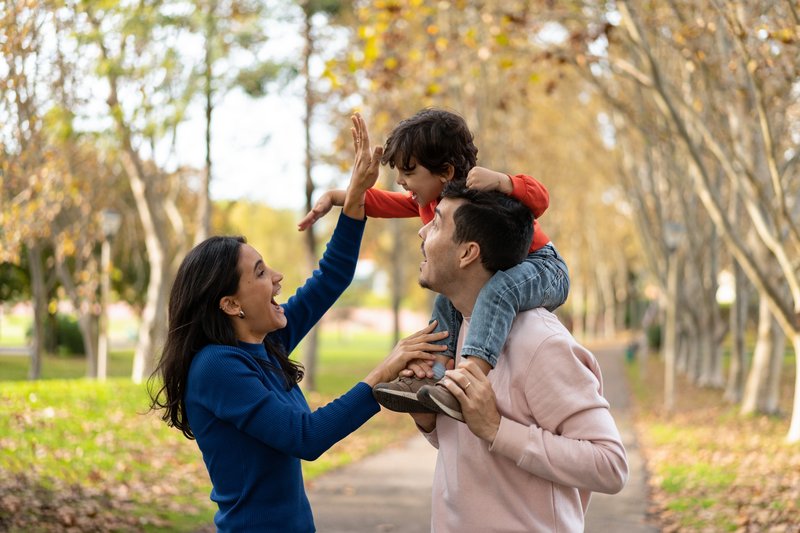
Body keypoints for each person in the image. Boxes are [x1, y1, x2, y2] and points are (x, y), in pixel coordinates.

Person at [147, 114, 447, 533]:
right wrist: (384, 372)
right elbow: (305, 437)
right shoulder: (216, 367)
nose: (276, 278)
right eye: (259, 273)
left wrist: (358, 194)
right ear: (231, 304)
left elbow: (332, 278)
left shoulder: (264, 343)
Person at [298, 108, 570, 421]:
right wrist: (337, 196)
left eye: (409, 172)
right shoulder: (432, 203)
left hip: (545, 267)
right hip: (511, 271)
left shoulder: (478, 196)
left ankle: (469, 379)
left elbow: (540, 199)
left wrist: (504, 181)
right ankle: (436, 373)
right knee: (445, 303)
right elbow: (386, 203)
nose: (400, 180)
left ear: (445, 171)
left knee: (498, 290)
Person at [411, 183, 628, 532]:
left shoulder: (540, 342)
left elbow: (610, 465)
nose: (421, 230)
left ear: (467, 253)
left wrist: (498, 429)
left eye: (436, 223)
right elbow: (471, 451)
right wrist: (429, 420)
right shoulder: (456, 332)